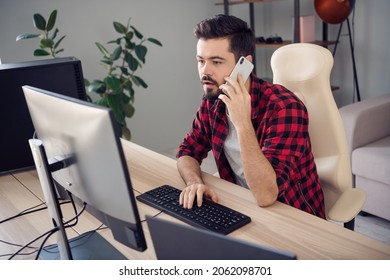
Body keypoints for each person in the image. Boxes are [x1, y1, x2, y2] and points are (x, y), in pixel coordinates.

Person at [176, 14, 325, 219]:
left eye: (216, 62)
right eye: (201, 61)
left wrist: (242, 123)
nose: (205, 71)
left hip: (294, 215)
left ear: (244, 65)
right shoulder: (214, 98)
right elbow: (187, 151)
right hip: (241, 203)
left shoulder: (285, 108)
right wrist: (194, 183)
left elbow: (266, 195)